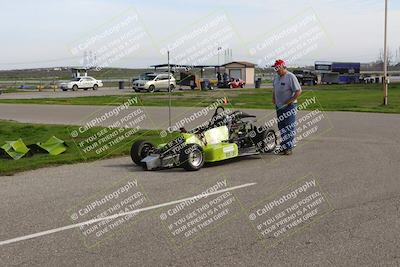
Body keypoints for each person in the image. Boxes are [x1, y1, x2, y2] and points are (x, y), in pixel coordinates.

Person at [271, 59, 302, 155]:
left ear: (282, 67)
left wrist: (290, 101)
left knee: (289, 127)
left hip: (289, 106)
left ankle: (288, 147)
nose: (276, 70)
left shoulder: (290, 77)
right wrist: (273, 98)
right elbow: (274, 89)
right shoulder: (276, 77)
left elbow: (298, 91)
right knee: (282, 127)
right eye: (275, 68)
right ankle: (283, 145)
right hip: (279, 106)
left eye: (277, 68)